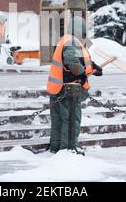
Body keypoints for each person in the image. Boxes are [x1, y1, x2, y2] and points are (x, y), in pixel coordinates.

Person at [46, 16, 103, 155]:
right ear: (79, 29)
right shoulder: (72, 42)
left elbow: (78, 61)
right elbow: (72, 62)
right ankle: (68, 150)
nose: (84, 35)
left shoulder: (67, 40)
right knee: (71, 120)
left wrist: (92, 68)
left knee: (58, 120)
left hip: (58, 88)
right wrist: (82, 75)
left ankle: (56, 147)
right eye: (84, 32)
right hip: (68, 90)